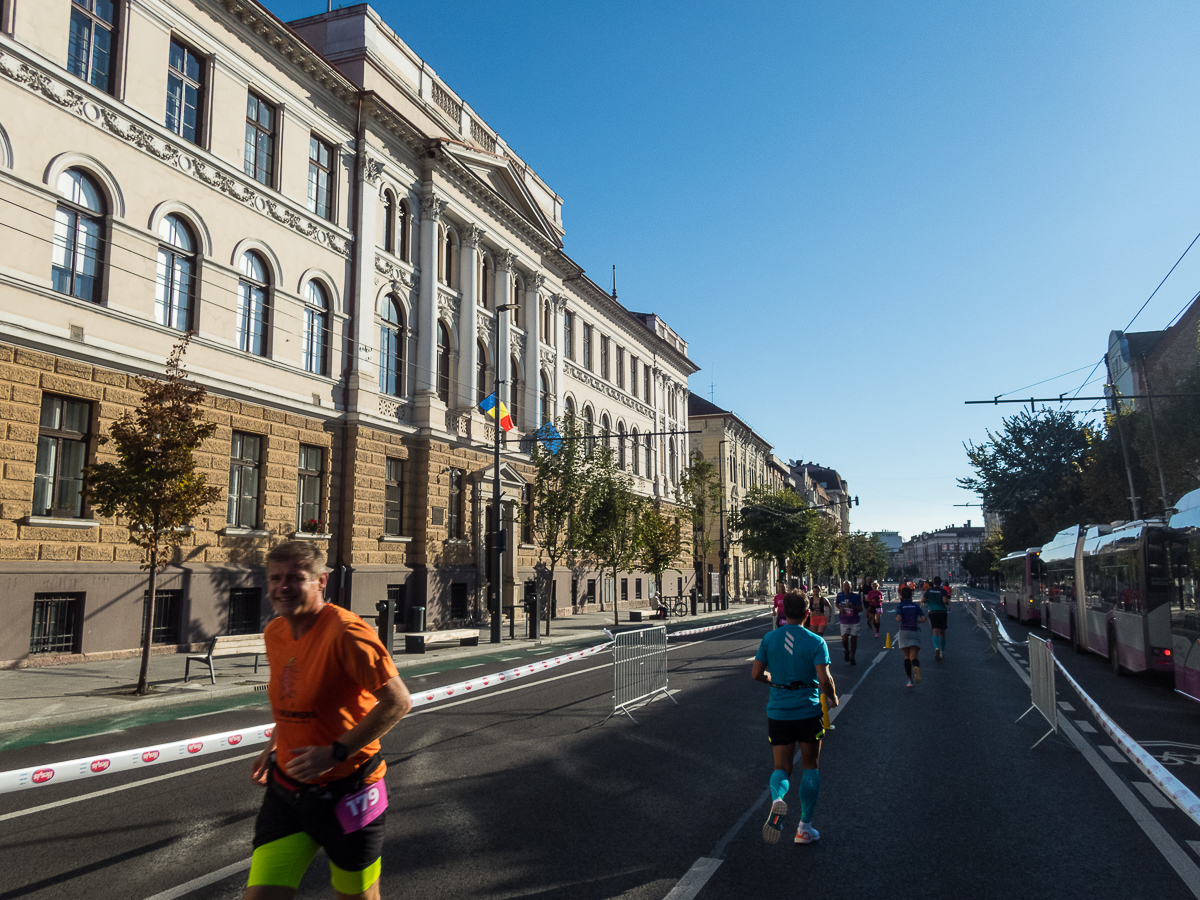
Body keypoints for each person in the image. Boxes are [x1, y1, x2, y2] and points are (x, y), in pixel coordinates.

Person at [245, 541, 413, 900]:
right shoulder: (275, 632)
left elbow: (398, 701)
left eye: (295, 578)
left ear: (321, 582)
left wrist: (335, 753)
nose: (282, 586)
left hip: (349, 792)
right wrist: (271, 747)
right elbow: (293, 698)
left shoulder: (346, 633)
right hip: (287, 793)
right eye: (275, 578)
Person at [751, 590, 838, 845]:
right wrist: (833, 697)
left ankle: (778, 799)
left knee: (782, 768)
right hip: (808, 710)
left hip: (779, 711)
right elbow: (824, 678)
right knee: (810, 766)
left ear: (782, 613)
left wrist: (773, 680)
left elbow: (756, 674)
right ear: (807, 614)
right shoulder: (815, 641)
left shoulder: (769, 638)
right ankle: (804, 829)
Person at [896, 585, 927, 687]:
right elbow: (924, 619)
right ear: (911, 595)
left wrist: (900, 618)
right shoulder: (916, 606)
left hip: (904, 631)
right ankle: (916, 666)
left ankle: (909, 680)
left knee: (906, 656)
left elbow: (898, 618)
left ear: (901, 596)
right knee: (913, 656)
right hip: (914, 630)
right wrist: (917, 621)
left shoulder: (900, 606)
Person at [835, 580, 863, 665]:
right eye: (845, 586)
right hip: (844, 620)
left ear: (851, 587)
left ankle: (852, 657)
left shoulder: (855, 596)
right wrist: (840, 608)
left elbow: (861, 609)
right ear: (843, 587)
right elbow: (837, 604)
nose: (846, 588)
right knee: (844, 639)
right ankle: (847, 650)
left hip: (854, 621)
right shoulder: (840, 595)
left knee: (854, 640)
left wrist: (852, 606)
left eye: (848, 586)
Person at [924, 575, 950, 660]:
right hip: (942, 612)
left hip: (933, 612)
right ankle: (942, 651)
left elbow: (923, 600)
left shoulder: (929, 591)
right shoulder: (943, 591)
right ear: (940, 583)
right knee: (942, 632)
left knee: (934, 631)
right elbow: (944, 601)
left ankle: (936, 648)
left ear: (934, 583)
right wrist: (947, 603)